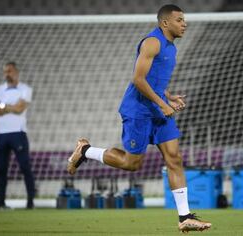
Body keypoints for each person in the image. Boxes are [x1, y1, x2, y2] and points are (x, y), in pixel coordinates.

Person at [67, 4, 211, 232]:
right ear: (165, 23)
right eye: (180, 20)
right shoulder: (152, 42)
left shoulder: (171, 48)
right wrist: (163, 104)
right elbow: (138, 80)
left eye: (184, 20)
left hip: (157, 109)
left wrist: (169, 97)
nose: (185, 24)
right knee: (132, 164)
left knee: (174, 157)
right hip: (139, 111)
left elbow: (155, 82)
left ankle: (185, 217)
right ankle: (85, 151)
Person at [0, 62, 35, 209]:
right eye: (5, 72)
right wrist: (11, 106)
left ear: (16, 72)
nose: (7, 74)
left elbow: (20, 109)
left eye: (9, 71)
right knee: (1, 169)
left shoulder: (25, 89)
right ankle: (1, 202)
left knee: (24, 167)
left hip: (18, 133)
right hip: (1, 134)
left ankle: (30, 202)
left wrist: (3, 106)